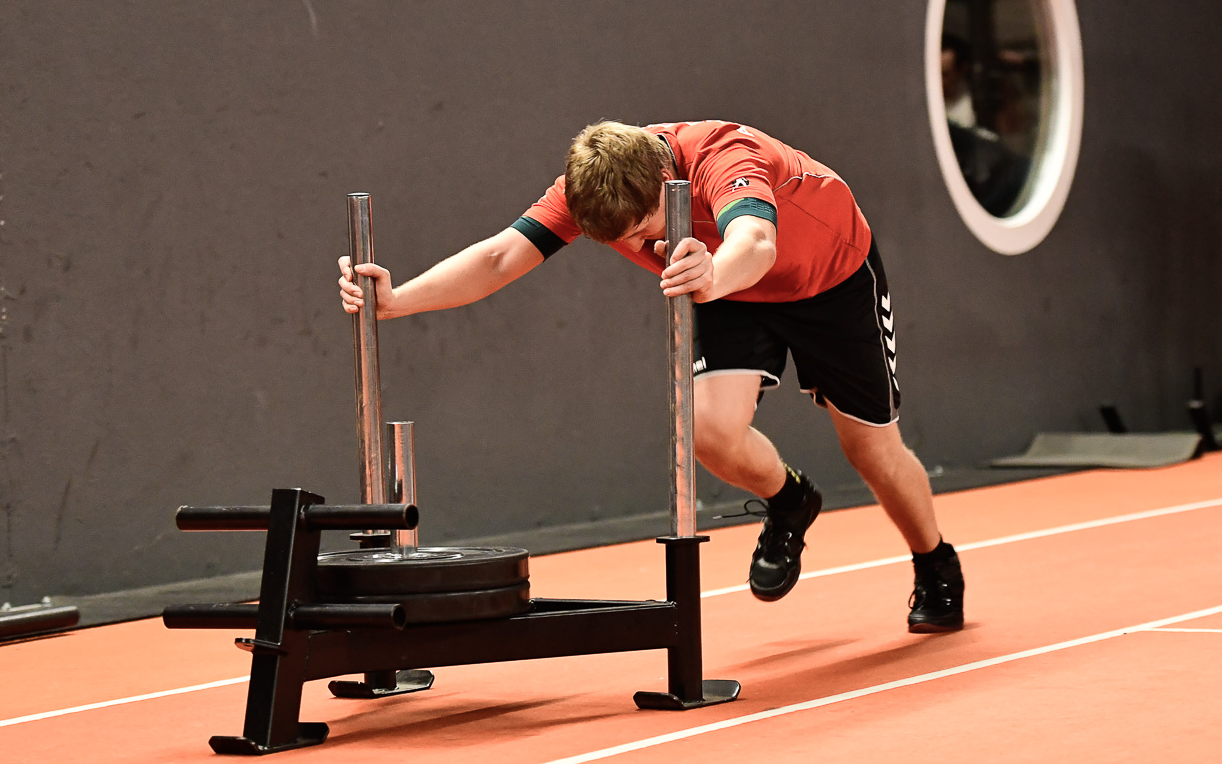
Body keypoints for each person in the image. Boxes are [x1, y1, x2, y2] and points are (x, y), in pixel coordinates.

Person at [337, 120, 965, 632]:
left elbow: (755, 242)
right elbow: (503, 255)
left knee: (870, 450)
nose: (642, 249)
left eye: (644, 232)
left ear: (668, 182)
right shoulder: (587, 188)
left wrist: (714, 275)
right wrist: (398, 301)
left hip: (829, 280)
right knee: (709, 432)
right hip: (726, 289)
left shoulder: (725, 154)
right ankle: (789, 500)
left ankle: (935, 563)